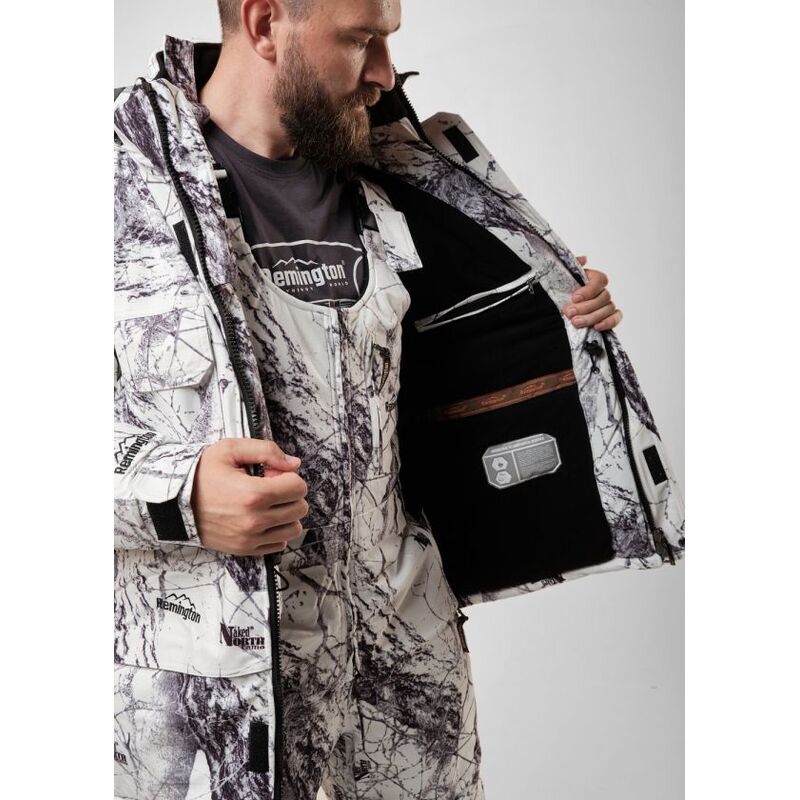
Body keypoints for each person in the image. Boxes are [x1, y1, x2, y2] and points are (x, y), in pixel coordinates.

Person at [113, 1, 683, 798]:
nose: (385, 73)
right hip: (214, 711)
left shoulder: (403, 173)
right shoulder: (110, 185)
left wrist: (562, 319)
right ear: (266, 23)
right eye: (361, 41)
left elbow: (470, 352)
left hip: (407, 681)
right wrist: (176, 501)